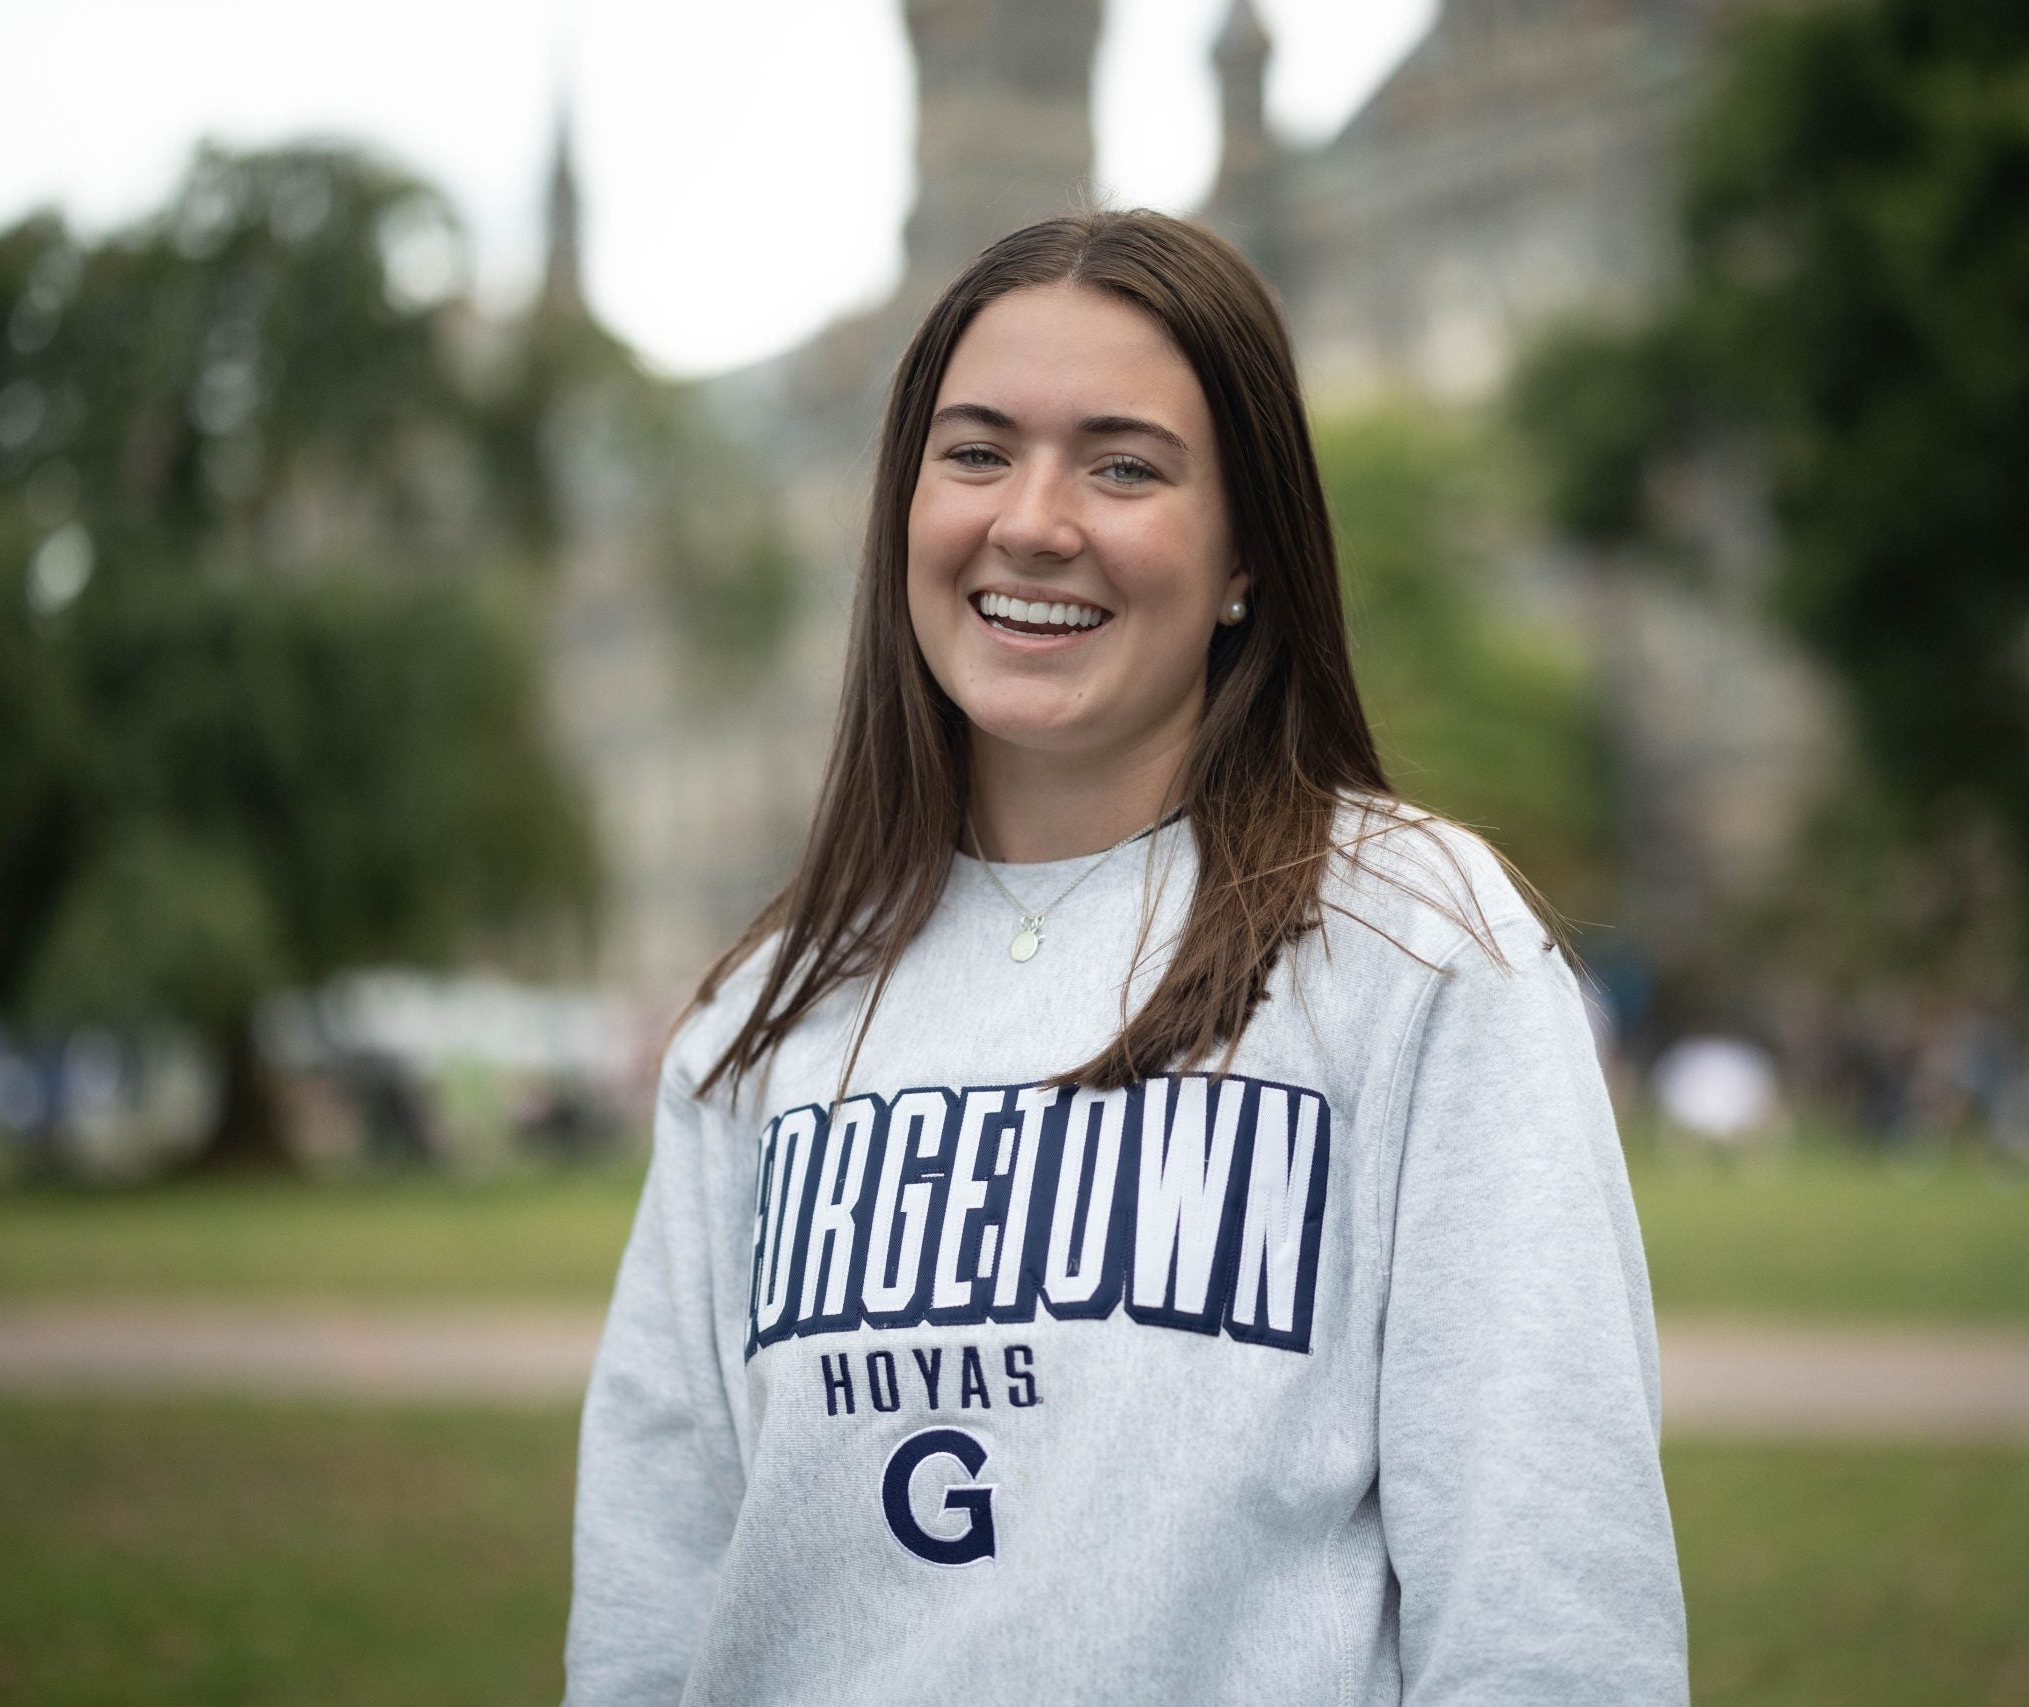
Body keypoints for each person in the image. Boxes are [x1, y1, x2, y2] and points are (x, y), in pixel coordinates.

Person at [562, 209, 1686, 1706]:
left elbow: (1550, 1614)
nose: (1032, 519)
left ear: (1247, 561)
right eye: (974, 453)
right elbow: (652, 1609)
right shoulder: (763, 1023)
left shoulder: (1415, 947)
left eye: (1124, 463)